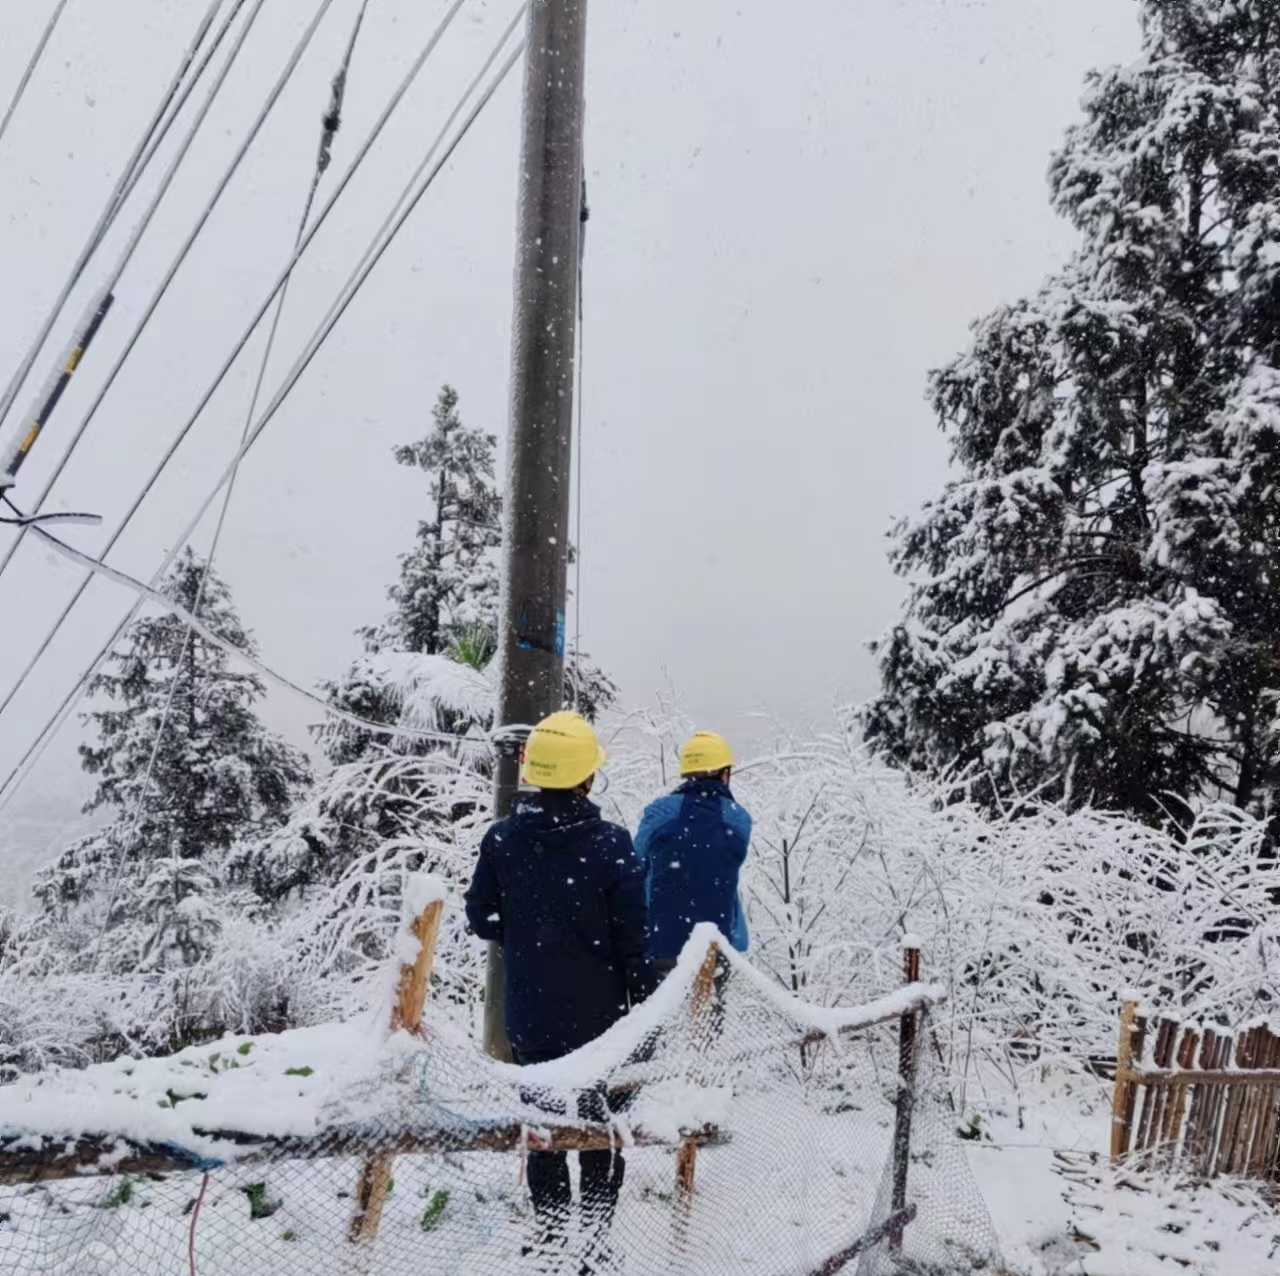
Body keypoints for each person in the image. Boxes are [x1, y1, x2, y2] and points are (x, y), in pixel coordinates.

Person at [465, 711, 656, 1271]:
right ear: (586, 777)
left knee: (544, 1128)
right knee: (601, 1130)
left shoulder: (502, 839)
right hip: (600, 1023)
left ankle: (551, 1239)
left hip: (532, 1018)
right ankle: (595, 1245)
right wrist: (648, 1005)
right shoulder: (610, 845)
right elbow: (634, 940)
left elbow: (481, 916)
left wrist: (529, 933)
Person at [635, 731, 752, 979]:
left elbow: (636, 864)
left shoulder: (658, 813)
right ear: (724, 773)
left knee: (661, 1016)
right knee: (709, 1017)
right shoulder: (738, 818)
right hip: (717, 948)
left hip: (662, 945)